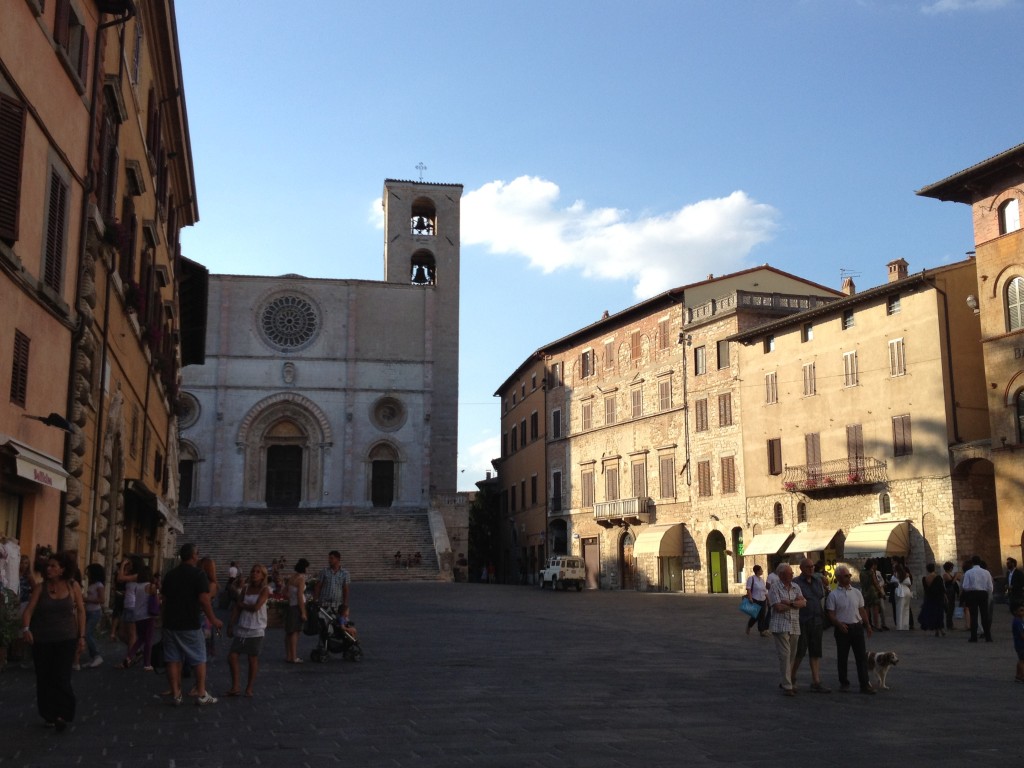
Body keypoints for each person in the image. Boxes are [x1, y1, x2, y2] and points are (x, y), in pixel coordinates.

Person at [20, 551, 87, 731]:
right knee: (44, 678)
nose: (48, 569)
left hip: (66, 639)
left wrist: (82, 636)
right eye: (48, 566)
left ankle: (62, 714)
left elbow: (81, 611)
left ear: (62, 569)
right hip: (42, 640)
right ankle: (48, 714)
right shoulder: (40, 589)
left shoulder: (73, 586)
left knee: (62, 677)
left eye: (53, 566)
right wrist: (26, 629)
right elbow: (28, 611)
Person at [160, 543, 223, 706]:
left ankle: (176, 694)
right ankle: (201, 693)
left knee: (173, 658)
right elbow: (204, 599)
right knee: (199, 658)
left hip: (170, 623)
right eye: (197, 553)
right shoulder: (198, 574)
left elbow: (165, 600)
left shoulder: (170, 574)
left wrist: (162, 619)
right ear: (194, 555)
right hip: (190, 622)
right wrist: (214, 619)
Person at [825, 565, 875, 694]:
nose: (849, 578)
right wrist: (838, 624)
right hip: (842, 629)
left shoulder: (857, 592)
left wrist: (868, 625)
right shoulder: (833, 595)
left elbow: (862, 610)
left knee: (861, 658)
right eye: (846, 576)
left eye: (849, 575)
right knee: (842, 657)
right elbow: (830, 613)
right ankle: (844, 682)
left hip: (857, 627)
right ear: (839, 578)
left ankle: (864, 684)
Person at [226, 564, 271, 697]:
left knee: (252, 658)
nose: (254, 574)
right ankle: (235, 686)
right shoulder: (245, 588)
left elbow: (256, 607)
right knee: (232, 656)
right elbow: (237, 607)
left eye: (258, 572)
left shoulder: (265, 589)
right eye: (253, 571)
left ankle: (249, 688)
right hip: (243, 626)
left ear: (263, 575)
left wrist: (242, 604)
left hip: (257, 627)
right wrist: (230, 624)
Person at [793, 558, 831, 693]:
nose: (811, 569)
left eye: (812, 566)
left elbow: (821, 596)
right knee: (800, 652)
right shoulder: (796, 583)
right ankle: (791, 677)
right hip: (803, 620)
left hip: (817, 620)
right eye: (808, 567)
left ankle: (816, 681)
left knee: (815, 652)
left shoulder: (817, 581)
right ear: (801, 568)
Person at [768, 563, 805, 696]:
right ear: (782, 575)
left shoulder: (796, 587)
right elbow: (778, 607)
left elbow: (803, 603)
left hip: (794, 624)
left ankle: (785, 680)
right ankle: (788, 686)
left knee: (792, 655)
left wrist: (788, 603)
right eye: (790, 573)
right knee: (785, 655)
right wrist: (795, 604)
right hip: (780, 625)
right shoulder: (774, 588)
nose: (792, 575)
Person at [120, 557, 156, 670]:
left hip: (138, 615)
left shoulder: (138, 587)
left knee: (140, 638)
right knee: (148, 640)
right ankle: (147, 664)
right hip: (148, 616)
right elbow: (156, 599)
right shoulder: (150, 586)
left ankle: (129, 656)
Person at [79, 563, 105, 669]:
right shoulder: (92, 584)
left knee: (87, 633)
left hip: (95, 612)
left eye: (89, 572)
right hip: (89, 611)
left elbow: (102, 600)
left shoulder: (99, 585)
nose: (87, 574)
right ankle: (93, 657)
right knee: (88, 634)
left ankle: (96, 655)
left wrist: (86, 599)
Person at [962, 555, 994, 642]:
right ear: (980, 562)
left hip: (972, 594)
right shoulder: (986, 572)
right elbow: (990, 587)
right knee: (984, 615)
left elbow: (965, 586)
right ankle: (988, 636)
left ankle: (974, 637)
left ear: (972, 562)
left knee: (974, 615)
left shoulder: (968, 572)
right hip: (983, 593)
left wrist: (971, 589)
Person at [284, 558, 309, 663]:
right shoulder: (301, 579)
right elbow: (299, 596)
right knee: (295, 632)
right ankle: (294, 657)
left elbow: (285, 592)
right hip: (297, 607)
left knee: (289, 632)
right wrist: (303, 612)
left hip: (291, 605)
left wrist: (290, 598)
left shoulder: (291, 577)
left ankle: (289, 656)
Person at [198, 557, 219, 658]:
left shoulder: (211, 584)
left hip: (203, 616)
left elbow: (205, 599)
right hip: (204, 617)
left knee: (201, 645)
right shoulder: (211, 583)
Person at [917, 563, 946, 636]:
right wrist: (945, 597)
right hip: (938, 598)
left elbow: (926, 589)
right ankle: (941, 629)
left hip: (929, 598)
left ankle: (937, 630)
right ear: (934, 568)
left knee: (933, 614)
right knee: (939, 614)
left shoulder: (925, 578)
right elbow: (941, 589)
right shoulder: (938, 577)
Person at [744, 564, 769, 636]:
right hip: (755, 599)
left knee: (762, 615)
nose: (762, 571)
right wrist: (750, 598)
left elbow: (765, 591)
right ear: (757, 571)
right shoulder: (751, 578)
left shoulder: (762, 580)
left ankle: (761, 631)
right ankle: (749, 625)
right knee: (756, 616)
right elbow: (748, 589)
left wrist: (768, 599)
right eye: (761, 570)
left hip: (763, 599)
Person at [892, 562, 912, 631]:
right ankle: (905, 626)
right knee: (906, 609)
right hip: (907, 591)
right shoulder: (906, 574)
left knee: (899, 609)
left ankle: (900, 626)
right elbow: (909, 583)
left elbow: (892, 581)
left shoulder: (895, 575)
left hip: (900, 591)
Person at [942, 561, 960, 631]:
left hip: (952, 592)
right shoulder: (945, 575)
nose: (952, 569)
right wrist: (956, 576)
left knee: (951, 608)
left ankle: (950, 624)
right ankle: (949, 625)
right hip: (949, 592)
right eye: (952, 567)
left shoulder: (949, 574)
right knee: (949, 608)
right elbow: (951, 582)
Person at [1012, 603, 1024, 683]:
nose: (1023, 612)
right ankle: (1022, 676)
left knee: (1021, 660)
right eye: (1021, 610)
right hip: (1021, 644)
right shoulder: (1017, 622)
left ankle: (1018, 676)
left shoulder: (1020, 621)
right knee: (1022, 661)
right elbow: (1021, 635)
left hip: (1019, 643)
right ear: (1015, 612)